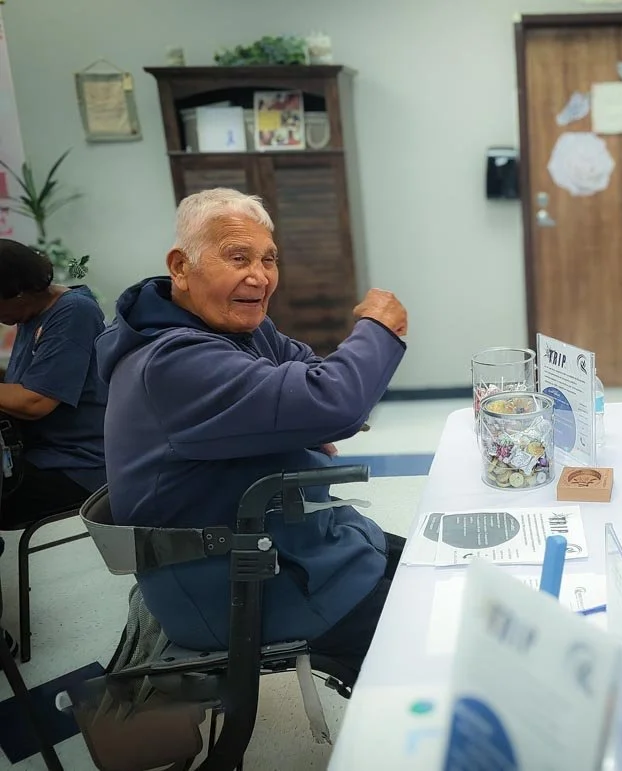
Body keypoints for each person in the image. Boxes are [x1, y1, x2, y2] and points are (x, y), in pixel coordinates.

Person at [95, 188, 408, 682]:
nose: (259, 277)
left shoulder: (237, 327)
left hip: (292, 545)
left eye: (269, 259)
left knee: (437, 566)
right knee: (439, 630)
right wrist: (378, 329)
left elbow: (310, 375)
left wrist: (306, 410)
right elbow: (338, 401)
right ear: (180, 267)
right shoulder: (174, 362)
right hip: (242, 585)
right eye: (238, 257)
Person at [0, 239, 107, 528]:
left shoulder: (73, 312)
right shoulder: (30, 316)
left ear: (19, 293)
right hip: (41, 454)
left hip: (77, 464)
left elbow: (36, 401)